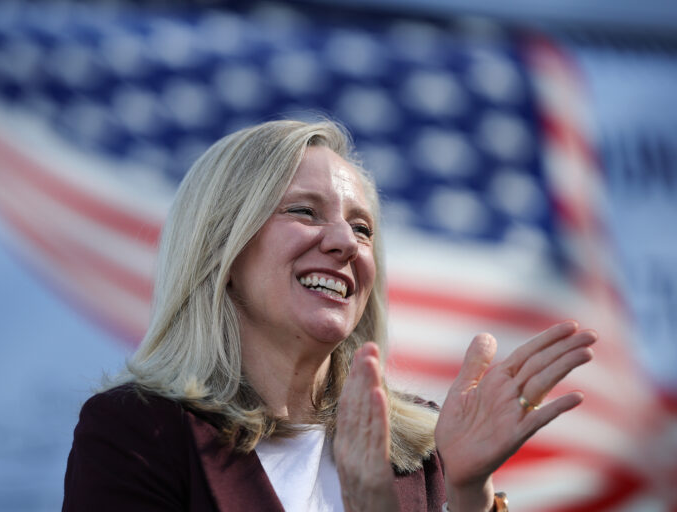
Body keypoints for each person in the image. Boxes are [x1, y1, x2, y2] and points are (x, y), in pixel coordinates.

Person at [62, 119, 597, 511]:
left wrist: (467, 490)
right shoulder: (138, 432)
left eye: (363, 229)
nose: (345, 242)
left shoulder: (421, 447)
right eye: (303, 211)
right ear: (221, 250)